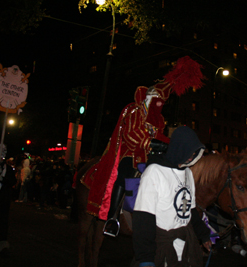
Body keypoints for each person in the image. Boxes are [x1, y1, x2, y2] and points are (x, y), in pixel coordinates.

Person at [80, 56, 205, 237]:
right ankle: (111, 217)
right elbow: (130, 136)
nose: (159, 103)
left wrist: (170, 145)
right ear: (149, 97)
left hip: (149, 155)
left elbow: (161, 136)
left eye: (162, 100)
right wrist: (153, 143)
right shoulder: (134, 111)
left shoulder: (158, 119)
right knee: (124, 174)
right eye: (157, 98)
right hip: (129, 153)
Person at [132, 126, 211, 267]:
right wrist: (146, 258)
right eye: (190, 151)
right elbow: (143, 218)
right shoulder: (154, 172)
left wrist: (203, 235)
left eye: (195, 152)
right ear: (179, 148)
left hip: (187, 244)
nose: (192, 156)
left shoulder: (188, 173)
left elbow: (191, 211)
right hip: (162, 246)